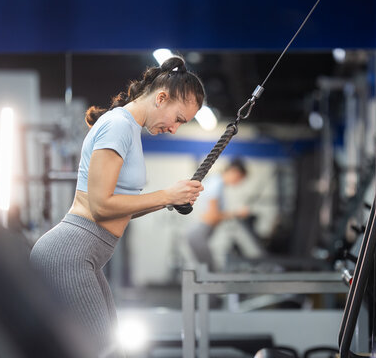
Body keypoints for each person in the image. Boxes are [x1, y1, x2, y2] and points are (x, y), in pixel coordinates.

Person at [29, 56, 204, 357]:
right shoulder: (118, 126)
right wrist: (165, 195)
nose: (175, 129)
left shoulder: (129, 130)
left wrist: (170, 201)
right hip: (69, 254)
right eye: (178, 118)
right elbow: (100, 206)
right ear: (161, 98)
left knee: (113, 351)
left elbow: (118, 207)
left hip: (86, 256)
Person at [186, 158, 260, 271]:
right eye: (240, 179)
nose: (238, 183)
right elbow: (212, 216)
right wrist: (237, 213)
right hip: (198, 235)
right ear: (234, 172)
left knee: (208, 271)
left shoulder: (218, 184)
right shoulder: (216, 183)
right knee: (210, 272)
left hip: (202, 235)